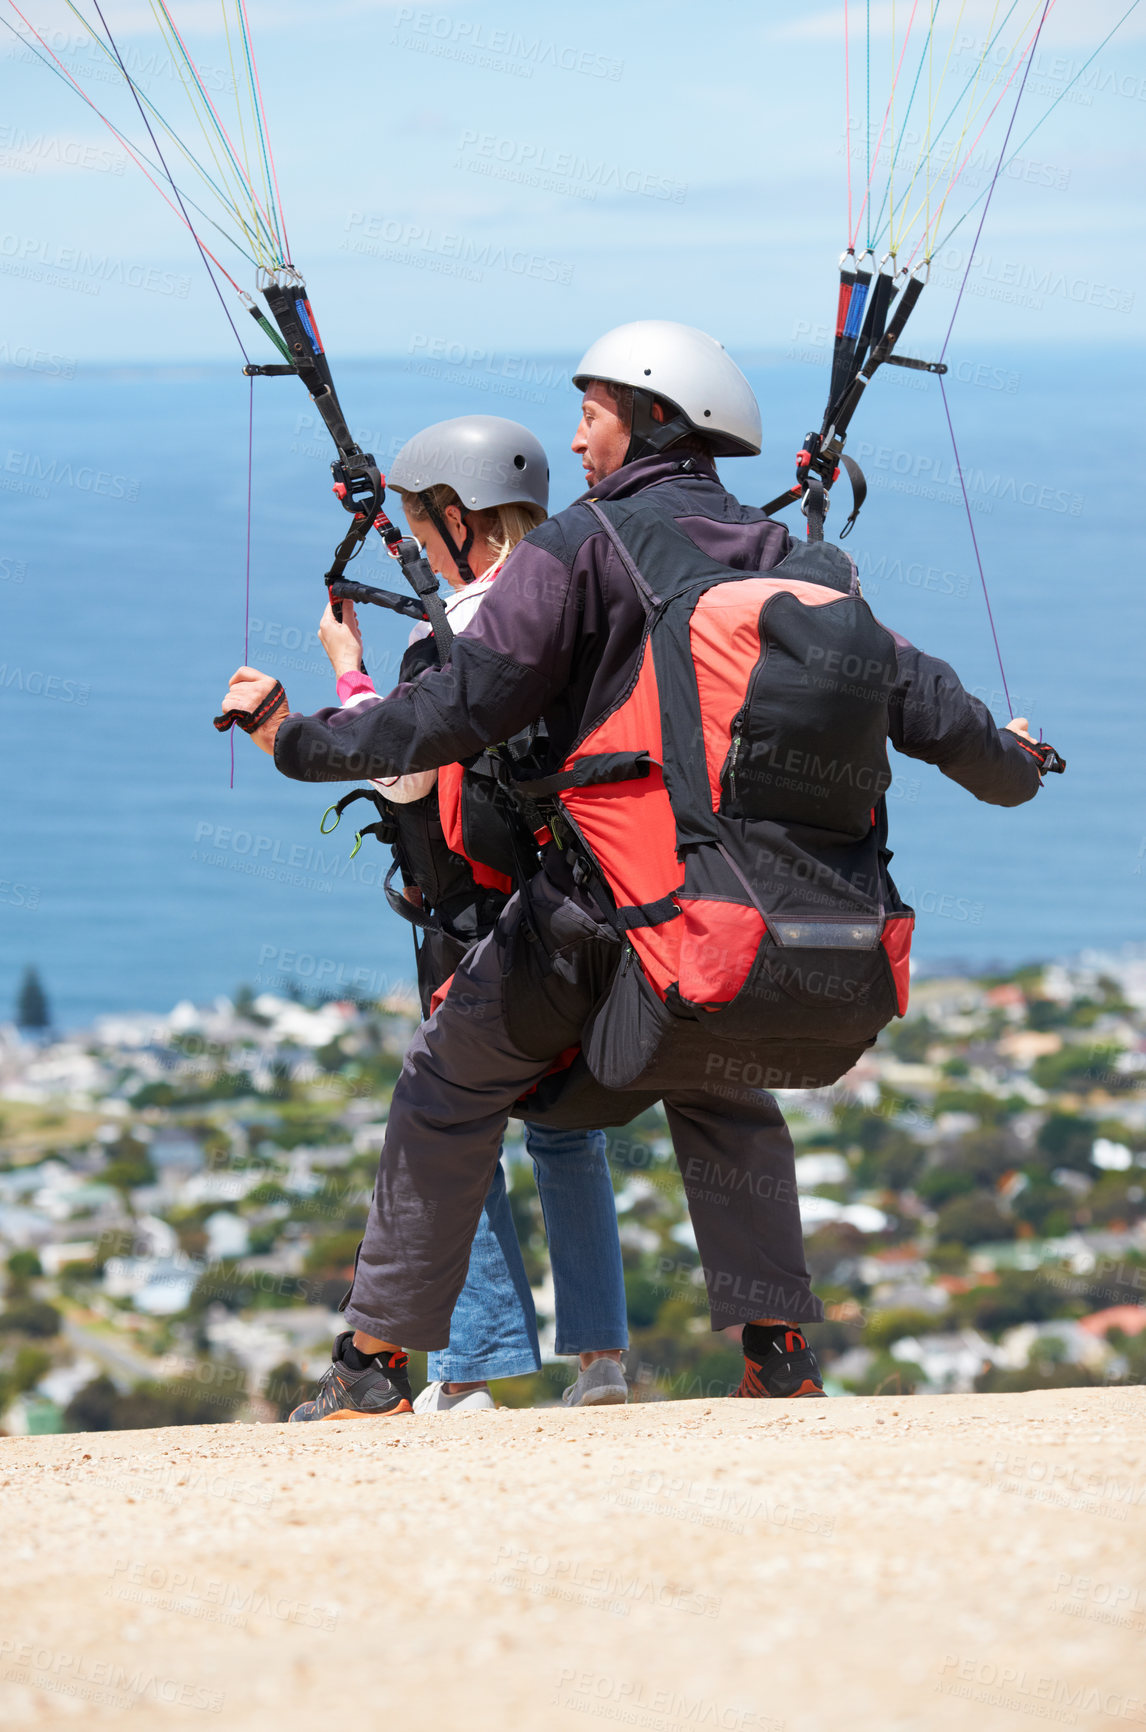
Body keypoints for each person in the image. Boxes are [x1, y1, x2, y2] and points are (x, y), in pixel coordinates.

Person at [221, 319, 1053, 1419]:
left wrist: (297, 739)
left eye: (592, 412)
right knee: (718, 1080)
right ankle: (779, 1352)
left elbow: (455, 706)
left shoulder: (584, 545)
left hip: (594, 915)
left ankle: (373, 1361)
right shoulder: (802, 567)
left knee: (447, 1077)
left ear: (652, 418)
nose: (574, 441)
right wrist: (1020, 759)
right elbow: (955, 730)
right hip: (746, 928)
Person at [316, 416, 628, 1415]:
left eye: (416, 521)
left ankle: (477, 1368)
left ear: (455, 520)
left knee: (461, 1126)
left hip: (477, 925)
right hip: (591, 905)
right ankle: (601, 1361)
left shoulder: (441, 638)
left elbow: (399, 769)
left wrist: (349, 675)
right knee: (569, 1131)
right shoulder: (580, 610)